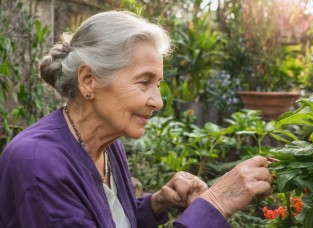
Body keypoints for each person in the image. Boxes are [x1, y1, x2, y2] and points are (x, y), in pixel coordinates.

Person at [0, 11, 273, 227]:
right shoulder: (38, 166)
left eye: (158, 84)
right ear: (88, 80)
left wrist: (156, 203)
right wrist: (216, 203)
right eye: (144, 82)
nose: (158, 101)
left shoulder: (106, 144)